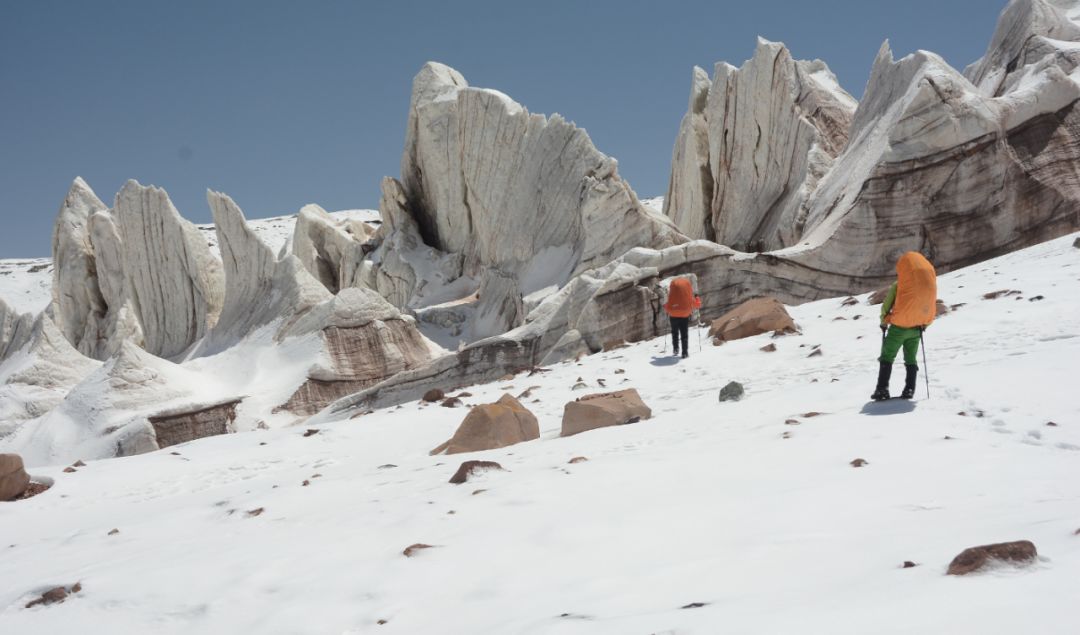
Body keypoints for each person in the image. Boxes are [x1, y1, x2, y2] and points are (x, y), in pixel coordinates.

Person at [872, 251, 937, 401]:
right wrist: (924, 324)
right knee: (911, 359)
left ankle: (882, 390)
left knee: (887, 357)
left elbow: (887, 305)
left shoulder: (899, 285)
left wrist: (884, 320)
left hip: (898, 328)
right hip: (917, 329)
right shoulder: (924, 285)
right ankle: (909, 389)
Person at [664, 276, 701, 359]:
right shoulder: (687, 295)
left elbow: (667, 305)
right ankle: (684, 352)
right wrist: (697, 298)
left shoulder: (672, 294)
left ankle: (676, 349)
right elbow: (697, 304)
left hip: (673, 315)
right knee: (684, 334)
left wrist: (667, 307)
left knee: (674, 332)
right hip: (684, 314)